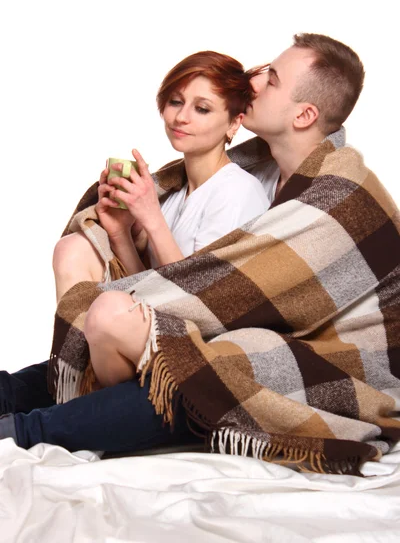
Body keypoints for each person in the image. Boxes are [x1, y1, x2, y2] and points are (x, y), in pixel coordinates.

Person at [1, 34, 398, 463]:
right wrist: (122, 232)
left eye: (273, 79)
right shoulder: (265, 169)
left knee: (204, 369)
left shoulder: (338, 195)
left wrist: (143, 236)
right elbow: (204, 289)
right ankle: (21, 399)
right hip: (249, 332)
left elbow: (220, 299)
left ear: (304, 114)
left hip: (340, 361)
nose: (255, 81)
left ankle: (27, 430)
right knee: (125, 317)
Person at [52, 51, 270, 388]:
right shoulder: (177, 191)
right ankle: (82, 386)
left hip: (201, 350)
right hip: (151, 338)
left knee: (108, 309)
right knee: (71, 248)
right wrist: (121, 232)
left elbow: (198, 300)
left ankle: (105, 407)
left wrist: (151, 217)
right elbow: (151, 291)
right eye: (175, 101)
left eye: (202, 108)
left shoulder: (238, 191)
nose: (181, 117)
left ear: (234, 123)